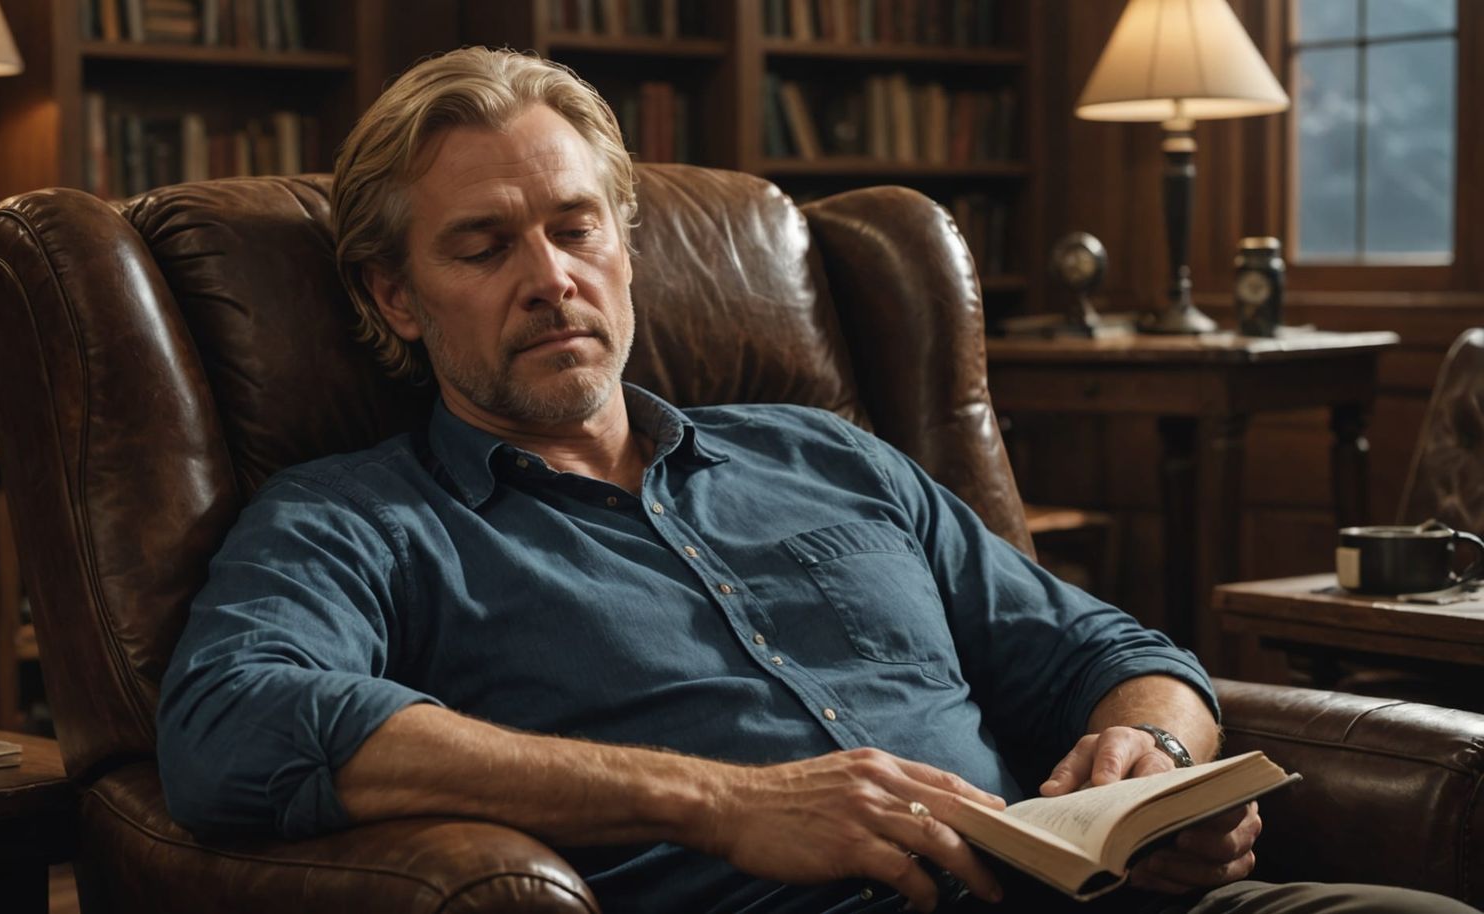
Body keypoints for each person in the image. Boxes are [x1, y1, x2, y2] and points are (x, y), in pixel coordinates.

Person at [155, 47, 1472, 914]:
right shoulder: (355, 519)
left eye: (575, 226)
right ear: (392, 295)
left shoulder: (825, 453)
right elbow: (237, 722)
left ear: (627, 245)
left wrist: (1156, 759)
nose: (550, 276)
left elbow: (1112, 647)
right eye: (484, 246)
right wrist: (721, 802)